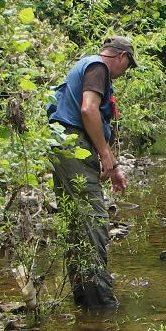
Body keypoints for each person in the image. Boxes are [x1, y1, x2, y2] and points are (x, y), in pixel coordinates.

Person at [47, 35, 137, 308]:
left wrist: (114, 166)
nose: (125, 73)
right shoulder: (99, 68)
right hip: (74, 147)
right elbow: (88, 111)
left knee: (77, 224)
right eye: (129, 65)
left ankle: (84, 300)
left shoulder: (86, 66)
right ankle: (101, 303)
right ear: (121, 57)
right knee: (93, 223)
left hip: (64, 147)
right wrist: (106, 154)